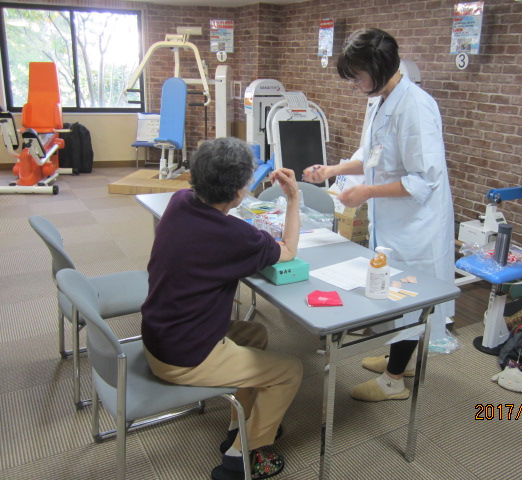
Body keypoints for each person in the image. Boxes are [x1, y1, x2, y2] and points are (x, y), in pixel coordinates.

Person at [303, 28, 455, 402]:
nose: (355, 84)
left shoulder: (415, 107)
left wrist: (367, 192)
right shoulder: (381, 100)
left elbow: (424, 180)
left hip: (416, 226)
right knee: (394, 291)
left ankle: (393, 381)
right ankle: (399, 360)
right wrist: (333, 170)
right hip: (392, 221)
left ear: (379, 68)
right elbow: (371, 157)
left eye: (358, 76)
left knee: (411, 296)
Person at [141, 137, 303, 480]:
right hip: (184, 355)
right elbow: (288, 250)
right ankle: (243, 456)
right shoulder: (234, 236)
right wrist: (293, 199)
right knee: (290, 371)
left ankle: (238, 425)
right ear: (240, 192)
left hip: (161, 333)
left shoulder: (180, 201)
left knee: (255, 335)